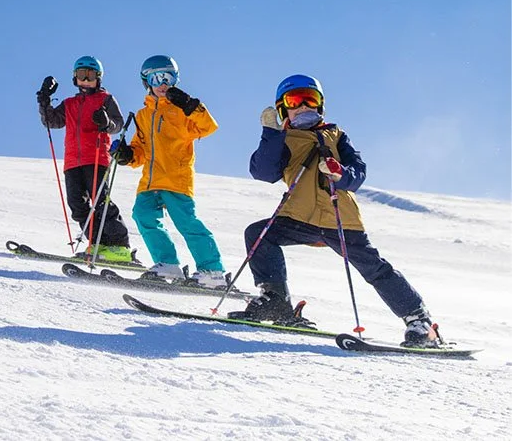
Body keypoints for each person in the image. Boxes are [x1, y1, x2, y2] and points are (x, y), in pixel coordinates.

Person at [232, 74, 436, 346]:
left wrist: (341, 173)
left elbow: (358, 173)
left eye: (310, 99)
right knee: (259, 234)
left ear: (320, 105)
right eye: (295, 100)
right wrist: (271, 134)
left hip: (339, 219)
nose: (304, 106)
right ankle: (276, 301)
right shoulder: (283, 138)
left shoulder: (336, 136)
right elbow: (263, 172)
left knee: (373, 268)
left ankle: (419, 320)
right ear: (284, 108)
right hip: (298, 218)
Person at [111, 55, 226, 287]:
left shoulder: (182, 110)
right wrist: (126, 155)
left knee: (187, 223)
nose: (162, 83)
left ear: (175, 79)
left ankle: (212, 271)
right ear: (147, 82)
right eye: (156, 78)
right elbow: (140, 151)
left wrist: (191, 106)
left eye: (168, 77)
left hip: (176, 179)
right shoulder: (143, 116)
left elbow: (208, 127)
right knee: (143, 216)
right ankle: (168, 265)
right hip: (150, 182)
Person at [37, 56, 133, 263]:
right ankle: (97, 245)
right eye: (81, 75)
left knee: (100, 201)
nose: (86, 80)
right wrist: (44, 99)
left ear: (98, 78)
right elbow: (52, 122)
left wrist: (106, 122)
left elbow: (117, 124)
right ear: (75, 78)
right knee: (77, 205)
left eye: (90, 75)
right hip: (72, 162)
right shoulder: (70, 103)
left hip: (96, 158)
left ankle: (119, 246)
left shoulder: (105, 99)